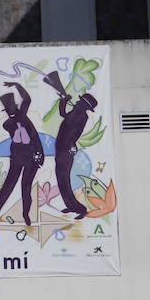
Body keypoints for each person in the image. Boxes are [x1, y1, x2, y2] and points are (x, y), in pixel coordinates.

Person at [0, 81, 45, 227]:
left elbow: (27, 100)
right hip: (16, 158)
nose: (11, 112)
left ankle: (26, 215)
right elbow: (16, 134)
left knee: (26, 188)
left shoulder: (21, 116)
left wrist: (17, 85)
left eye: (12, 108)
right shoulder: (8, 124)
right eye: (9, 110)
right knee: (8, 186)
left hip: (31, 158)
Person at [43, 71, 97, 221]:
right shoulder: (76, 112)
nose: (78, 102)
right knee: (61, 180)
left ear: (84, 106)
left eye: (81, 102)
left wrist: (66, 101)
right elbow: (62, 114)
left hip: (65, 150)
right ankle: (71, 206)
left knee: (64, 180)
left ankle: (80, 208)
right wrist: (63, 101)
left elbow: (72, 131)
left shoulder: (81, 116)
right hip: (62, 149)